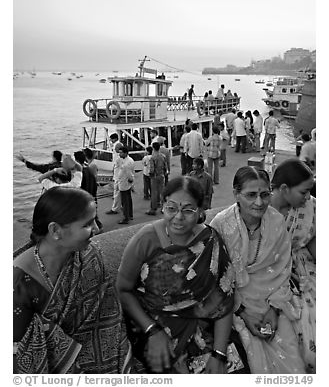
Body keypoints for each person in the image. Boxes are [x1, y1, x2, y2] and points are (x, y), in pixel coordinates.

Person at [116, 176, 235, 374]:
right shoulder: (146, 239)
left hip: (204, 332)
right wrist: (152, 331)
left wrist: (219, 354)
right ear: (163, 206)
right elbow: (122, 290)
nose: (178, 217)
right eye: (171, 208)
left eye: (188, 210)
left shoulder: (210, 242)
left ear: (200, 211)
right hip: (153, 333)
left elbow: (224, 300)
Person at [13, 187, 128, 373]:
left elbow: (107, 314)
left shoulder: (89, 256)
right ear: (55, 230)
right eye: (87, 224)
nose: (97, 230)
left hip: (106, 354)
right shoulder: (18, 285)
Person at [210, 166, 305, 374]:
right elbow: (215, 277)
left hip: (272, 298)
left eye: (264, 194)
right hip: (233, 302)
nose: (259, 202)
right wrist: (242, 312)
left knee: (290, 354)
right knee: (250, 350)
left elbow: (282, 268)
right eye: (251, 195)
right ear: (236, 194)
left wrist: (275, 308)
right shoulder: (220, 224)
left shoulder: (277, 222)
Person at [271, 159, 316, 373]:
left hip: (303, 269)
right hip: (271, 274)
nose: (308, 197)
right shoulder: (260, 209)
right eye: (304, 192)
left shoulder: (310, 208)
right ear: (284, 189)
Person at [146, 142, 168, 216]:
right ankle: (163, 208)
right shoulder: (163, 156)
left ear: (153, 148)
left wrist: (150, 175)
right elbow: (166, 167)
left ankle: (153, 209)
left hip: (155, 176)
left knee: (154, 193)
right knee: (162, 192)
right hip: (162, 175)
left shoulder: (153, 157)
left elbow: (152, 169)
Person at [117, 146, 135, 224]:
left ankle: (126, 217)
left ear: (125, 153)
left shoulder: (127, 163)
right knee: (128, 199)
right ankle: (130, 215)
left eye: (121, 153)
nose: (119, 154)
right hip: (125, 182)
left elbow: (129, 174)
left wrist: (131, 181)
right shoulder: (129, 160)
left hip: (124, 182)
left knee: (125, 201)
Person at [106, 140, 124, 215]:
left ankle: (115, 209)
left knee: (117, 193)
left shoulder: (118, 159)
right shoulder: (124, 158)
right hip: (121, 178)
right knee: (123, 193)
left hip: (118, 178)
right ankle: (123, 206)